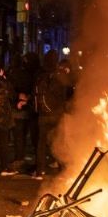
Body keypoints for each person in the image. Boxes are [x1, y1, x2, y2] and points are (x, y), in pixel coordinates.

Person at [33, 50, 73, 180]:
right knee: (59, 140)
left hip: (43, 114)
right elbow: (66, 95)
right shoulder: (60, 75)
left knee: (41, 142)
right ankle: (62, 169)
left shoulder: (40, 75)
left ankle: (40, 171)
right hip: (58, 113)